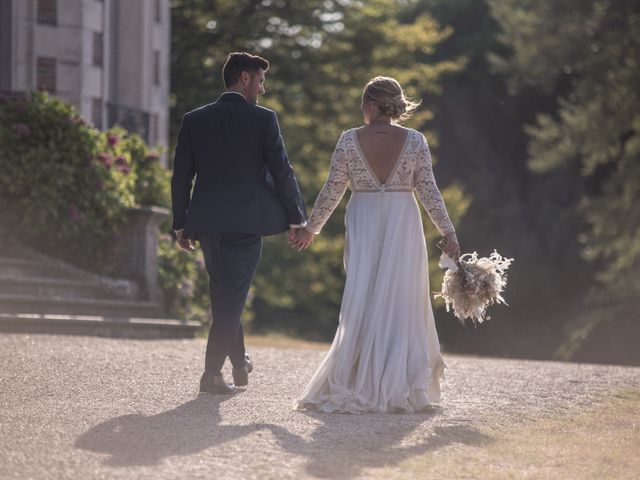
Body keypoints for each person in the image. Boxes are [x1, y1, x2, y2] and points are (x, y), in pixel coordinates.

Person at [291, 76, 460, 413]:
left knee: (363, 295)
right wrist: (448, 231)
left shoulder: (349, 140)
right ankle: (406, 386)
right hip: (403, 220)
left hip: (365, 217)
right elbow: (429, 190)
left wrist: (312, 228)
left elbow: (333, 189)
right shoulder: (415, 141)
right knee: (402, 300)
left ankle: (355, 378)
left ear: (369, 105)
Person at [171, 52, 307, 395]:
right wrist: (296, 218)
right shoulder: (263, 120)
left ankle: (240, 361)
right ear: (244, 78)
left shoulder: (194, 119)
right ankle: (211, 376)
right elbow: (282, 171)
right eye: (260, 80)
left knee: (226, 298)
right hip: (246, 225)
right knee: (230, 300)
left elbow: (181, 176)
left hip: (207, 226)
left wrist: (180, 223)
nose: (263, 88)